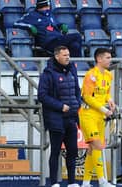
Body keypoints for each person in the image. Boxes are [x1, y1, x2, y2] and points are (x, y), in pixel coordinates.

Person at [38, 46, 81, 187]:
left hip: (71, 117)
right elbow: (42, 96)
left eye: (68, 55)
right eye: (64, 55)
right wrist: (60, 106)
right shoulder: (47, 74)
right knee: (55, 150)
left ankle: (72, 182)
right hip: (56, 118)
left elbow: (76, 90)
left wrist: (77, 104)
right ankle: (54, 183)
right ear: (57, 56)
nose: (68, 57)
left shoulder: (72, 70)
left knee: (73, 151)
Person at [79, 48, 116, 187]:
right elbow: (87, 97)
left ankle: (86, 182)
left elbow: (105, 92)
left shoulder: (108, 75)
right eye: (107, 57)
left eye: (110, 57)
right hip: (88, 114)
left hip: (100, 116)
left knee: (92, 149)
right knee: (98, 146)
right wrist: (103, 109)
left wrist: (110, 99)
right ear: (99, 59)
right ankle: (102, 181)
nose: (109, 60)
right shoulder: (90, 75)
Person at [14, 0, 82, 57]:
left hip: (58, 39)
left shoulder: (50, 15)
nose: (48, 8)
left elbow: (56, 24)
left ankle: (75, 65)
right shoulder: (32, 15)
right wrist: (30, 26)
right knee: (77, 36)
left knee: (75, 46)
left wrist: (61, 25)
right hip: (49, 42)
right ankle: (79, 61)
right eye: (46, 6)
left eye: (48, 6)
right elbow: (16, 23)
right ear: (40, 7)